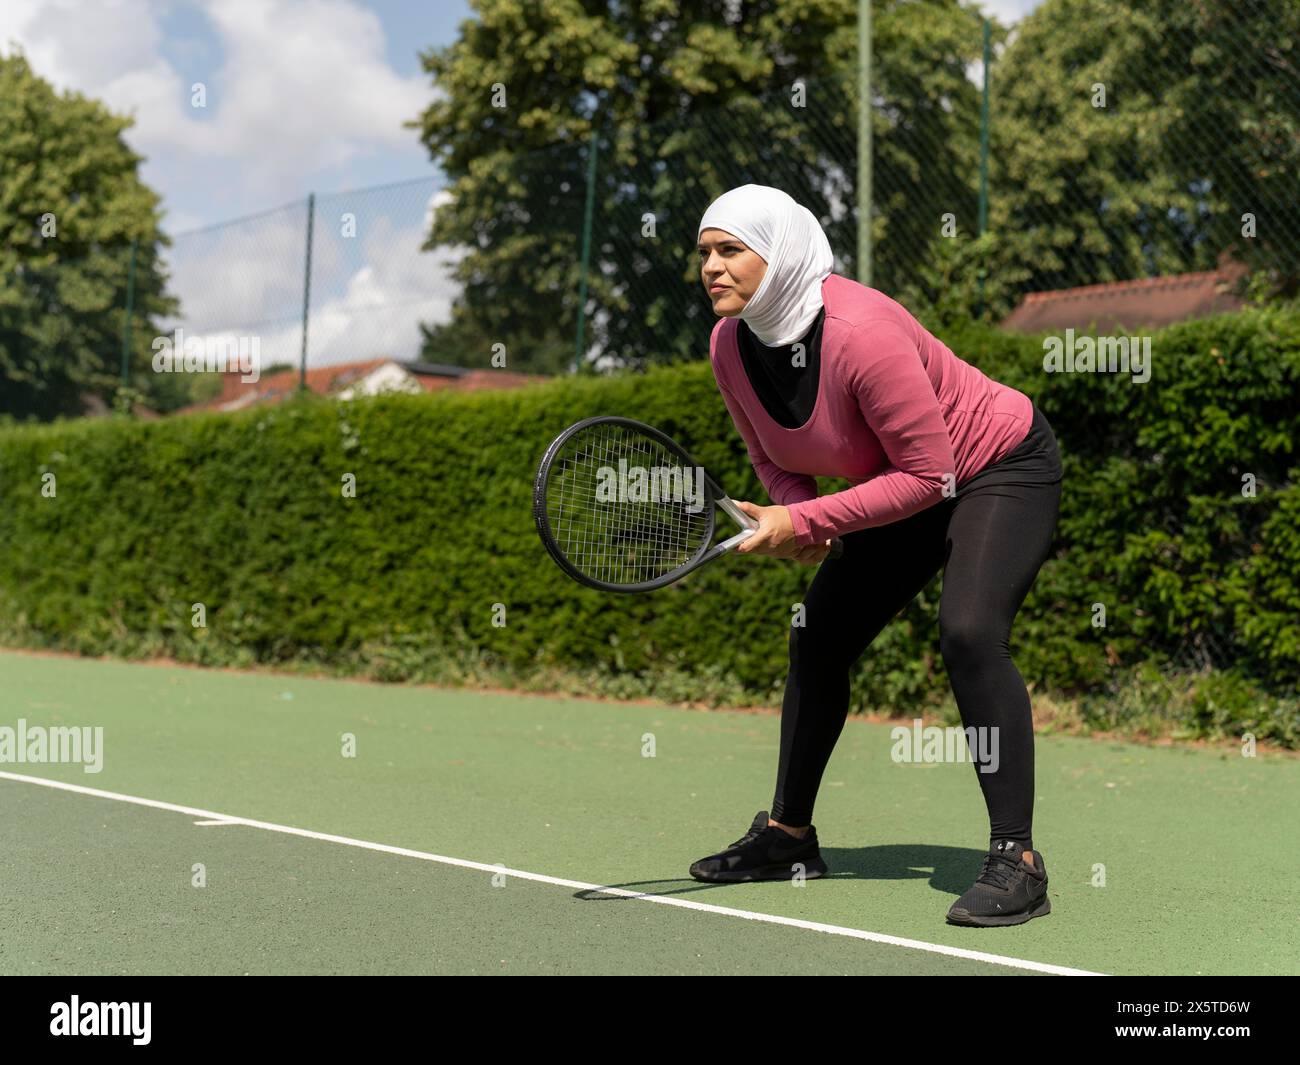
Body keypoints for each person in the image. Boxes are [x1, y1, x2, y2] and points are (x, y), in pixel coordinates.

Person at [687, 184, 1064, 927]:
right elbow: (772, 455)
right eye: (704, 252)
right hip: (908, 480)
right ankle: (787, 837)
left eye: (730, 249)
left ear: (782, 251)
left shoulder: (863, 331)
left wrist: (806, 516)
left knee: (969, 633)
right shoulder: (729, 345)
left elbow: (933, 475)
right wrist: (799, 515)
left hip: (997, 464)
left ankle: (1018, 859)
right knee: (817, 633)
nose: (711, 266)